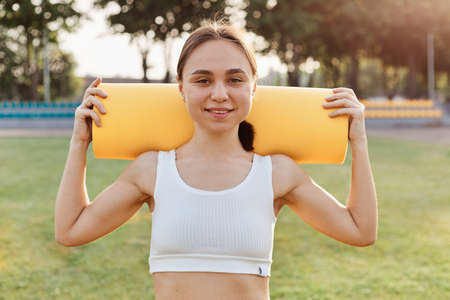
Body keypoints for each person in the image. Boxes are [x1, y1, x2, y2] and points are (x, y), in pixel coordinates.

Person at [55, 19, 377, 300]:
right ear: (181, 89)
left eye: (235, 80)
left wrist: (358, 142)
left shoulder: (276, 173)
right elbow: (70, 230)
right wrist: (79, 142)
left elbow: (360, 231)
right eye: (203, 80)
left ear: (254, 88)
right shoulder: (152, 170)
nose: (220, 94)